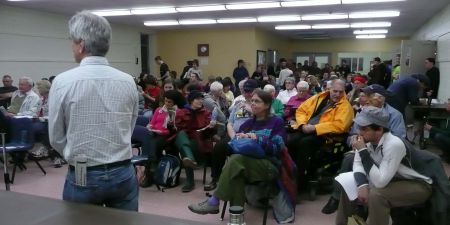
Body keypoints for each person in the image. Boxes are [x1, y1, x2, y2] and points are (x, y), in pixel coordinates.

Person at [48, 11, 139, 211]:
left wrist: (75, 154)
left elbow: (55, 136)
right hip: (123, 170)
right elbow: (129, 126)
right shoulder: (128, 81)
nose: (72, 47)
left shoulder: (62, 82)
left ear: (80, 44)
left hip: (83, 172)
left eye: (72, 41)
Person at [188, 90, 286, 214]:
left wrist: (256, 138)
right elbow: (236, 148)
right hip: (244, 165)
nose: (253, 104)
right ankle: (237, 218)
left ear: (267, 105)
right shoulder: (247, 124)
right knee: (237, 169)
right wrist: (235, 141)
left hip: (269, 166)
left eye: (257, 101)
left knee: (236, 162)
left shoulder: (276, 122)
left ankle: (214, 201)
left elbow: (278, 148)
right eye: (252, 101)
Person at [335, 106, 432, 225]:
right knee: (348, 184)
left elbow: (380, 182)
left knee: (377, 195)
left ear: (379, 130)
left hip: (418, 185)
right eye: (359, 128)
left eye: (364, 129)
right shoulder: (368, 140)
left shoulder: (394, 144)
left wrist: (362, 151)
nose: (360, 132)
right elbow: (358, 164)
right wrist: (362, 185)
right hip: (391, 180)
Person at [321, 84, 406, 214]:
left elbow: (399, 138)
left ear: (380, 98)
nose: (364, 99)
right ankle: (338, 196)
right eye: (364, 96)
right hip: (363, 147)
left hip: (383, 152)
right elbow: (352, 135)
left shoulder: (395, 115)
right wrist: (356, 143)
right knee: (349, 159)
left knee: (352, 160)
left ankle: (357, 202)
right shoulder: (364, 112)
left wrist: (371, 142)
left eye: (368, 96)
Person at [287, 79, 354, 190]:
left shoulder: (346, 107)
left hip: (325, 135)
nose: (337, 94)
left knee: (305, 143)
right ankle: (289, 175)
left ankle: (300, 182)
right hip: (305, 128)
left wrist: (315, 128)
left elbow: (340, 126)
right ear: (329, 89)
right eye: (335, 91)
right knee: (290, 141)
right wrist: (303, 124)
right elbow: (301, 110)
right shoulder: (319, 97)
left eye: (341, 92)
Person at [204, 79, 257, 191]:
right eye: (245, 91)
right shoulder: (239, 104)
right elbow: (230, 122)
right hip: (234, 135)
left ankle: (242, 180)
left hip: (250, 136)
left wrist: (251, 110)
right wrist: (233, 136)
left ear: (256, 91)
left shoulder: (261, 104)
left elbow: (267, 120)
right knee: (219, 148)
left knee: (241, 152)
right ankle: (215, 178)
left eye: (250, 91)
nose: (247, 94)